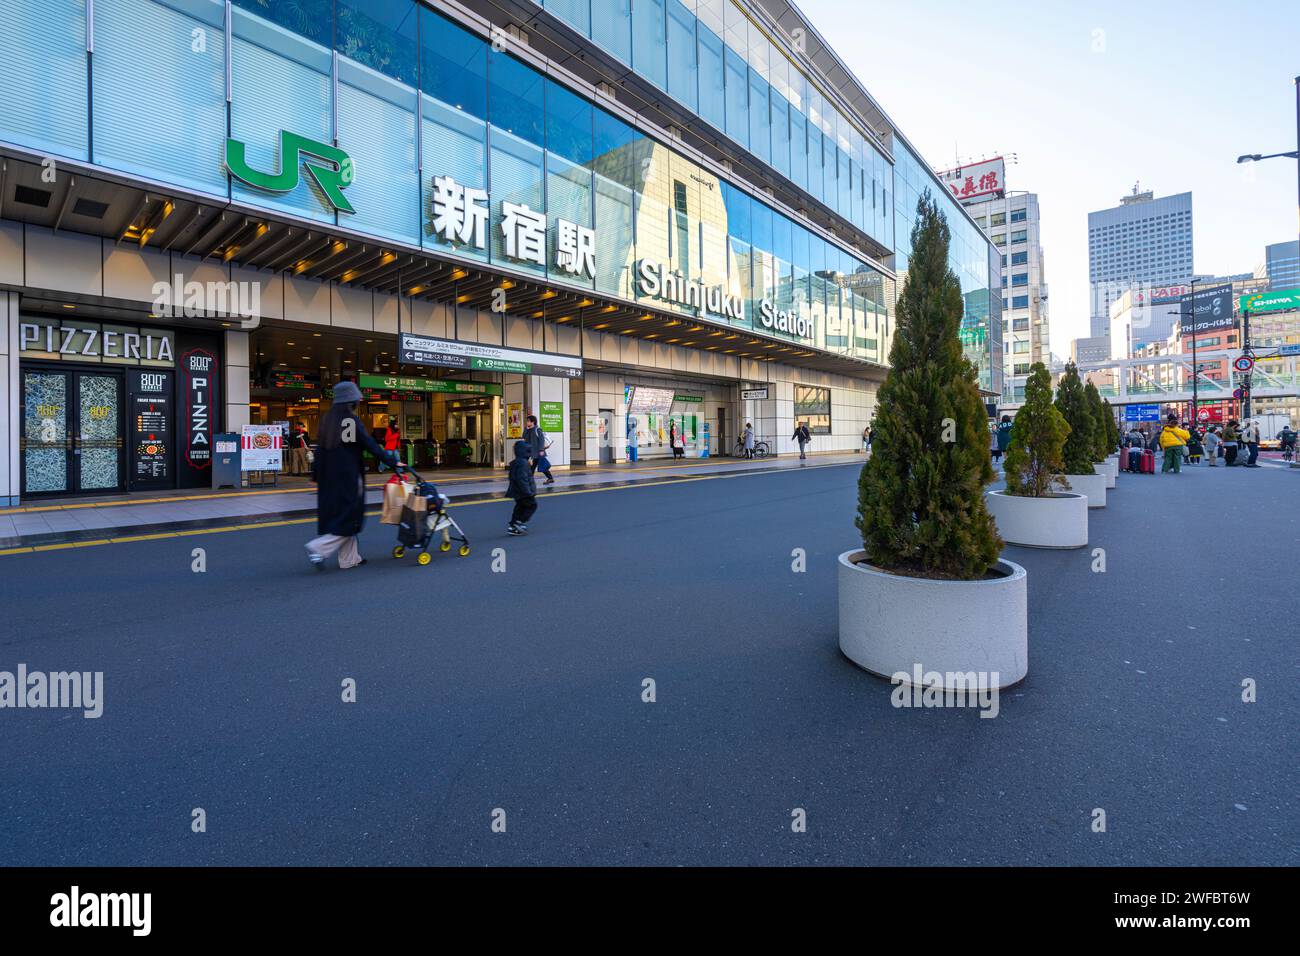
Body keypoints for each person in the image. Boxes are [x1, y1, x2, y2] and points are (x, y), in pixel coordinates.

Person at [305, 381, 399, 570]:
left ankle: (350, 559)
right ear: (350, 400)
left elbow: (320, 450)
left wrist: (316, 475)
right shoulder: (349, 421)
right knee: (351, 516)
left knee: (345, 515)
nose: (359, 401)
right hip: (347, 476)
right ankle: (319, 547)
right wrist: (393, 462)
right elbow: (369, 444)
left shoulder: (327, 420)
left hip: (328, 477)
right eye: (357, 398)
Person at [505, 439, 538, 535]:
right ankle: (518, 522)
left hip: (517, 491)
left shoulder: (517, 462)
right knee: (532, 505)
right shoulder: (523, 463)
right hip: (523, 491)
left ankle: (513, 525)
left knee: (520, 507)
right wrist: (528, 492)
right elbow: (522, 479)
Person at [522, 414, 554, 484]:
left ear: (533, 422)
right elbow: (523, 436)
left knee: (536, 466)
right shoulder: (528, 430)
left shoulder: (537, 429)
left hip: (538, 452)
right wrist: (526, 429)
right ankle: (550, 478)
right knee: (535, 467)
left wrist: (541, 450)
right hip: (531, 452)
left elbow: (541, 440)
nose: (527, 422)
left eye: (528, 421)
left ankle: (529, 481)